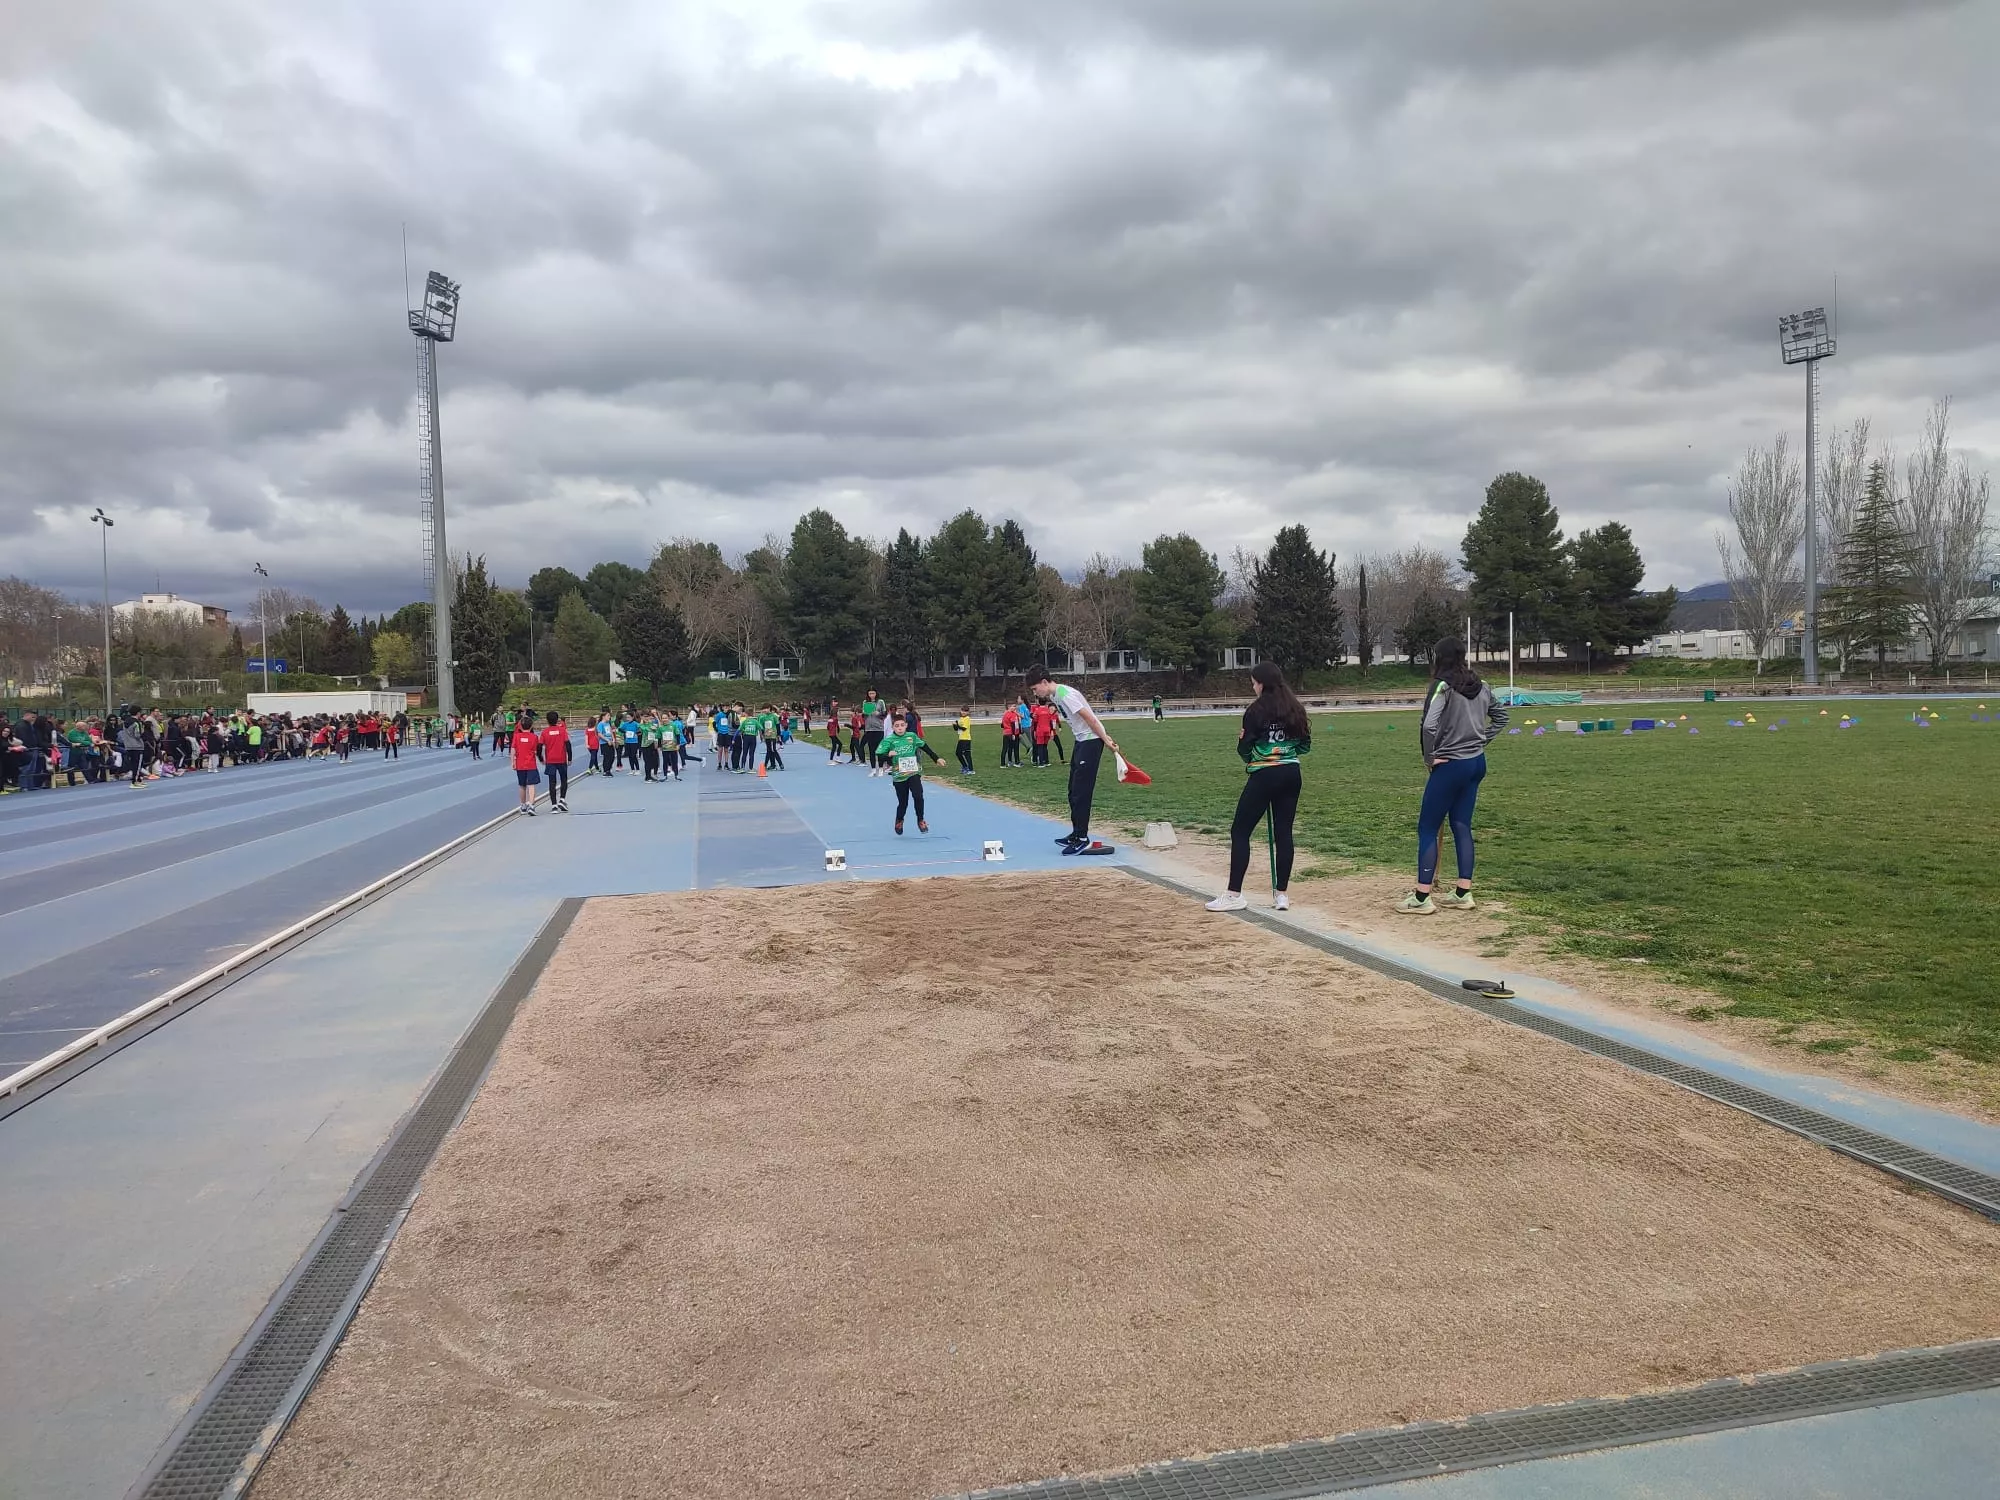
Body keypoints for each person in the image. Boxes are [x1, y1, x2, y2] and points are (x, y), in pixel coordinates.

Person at [1397, 638, 1507, 914]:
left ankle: (1422, 897)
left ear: (1439, 658)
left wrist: (1429, 757)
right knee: (1461, 825)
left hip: (1450, 765)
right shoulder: (1482, 686)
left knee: (1427, 828)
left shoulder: (1442, 687)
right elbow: (1502, 717)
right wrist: (1482, 741)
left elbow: (1429, 725)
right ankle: (1463, 892)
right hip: (1475, 763)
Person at [1206, 663, 1311, 913]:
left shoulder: (1255, 711)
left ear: (1261, 683)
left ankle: (1234, 894)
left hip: (1265, 774)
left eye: (1253, 683)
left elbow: (1243, 748)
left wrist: (1256, 757)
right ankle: (1282, 894)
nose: (1253, 687)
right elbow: (1305, 746)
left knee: (1240, 831)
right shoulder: (1295, 708)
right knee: (1283, 832)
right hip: (1291, 773)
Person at [1027, 668, 1120, 851]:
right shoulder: (1055, 696)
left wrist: (1106, 740)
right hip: (1081, 741)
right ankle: (1075, 833)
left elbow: (1090, 719)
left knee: (1081, 792)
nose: (1035, 693)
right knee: (1072, 791)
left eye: (1035, 688)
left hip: (1091, 741)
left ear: (1045, 682)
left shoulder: (1065, 694)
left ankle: (1082, 837)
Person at [878, 709, 941, 835]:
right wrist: (888, 755)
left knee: (918, 796)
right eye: (897, 726)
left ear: (906, 725)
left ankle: (921, 820)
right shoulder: (888, 740)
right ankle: (899, 820)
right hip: (899, 775)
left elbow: (924, 746)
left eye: (902, 725)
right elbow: (880, 756)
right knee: (903, 802)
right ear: (893, 727)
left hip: (913, 771)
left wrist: (936, 758)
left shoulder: (911, 736)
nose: (900, 728)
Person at [539, 712, 572, 810]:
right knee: (564, 779)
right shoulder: (562, 731)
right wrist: (569, 758)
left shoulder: (544, 732)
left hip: (550, 760)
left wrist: (541, 758)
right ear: (557, 720)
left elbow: (539, 746)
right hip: (561, 759)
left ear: (547, 720)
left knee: (552, 782)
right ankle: (562, 799)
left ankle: (554, 805)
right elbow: (568, 745)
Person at [511, 713, 543, 815]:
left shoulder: (516, 737)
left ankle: (523, 805)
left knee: (522, 785)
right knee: (531, 785)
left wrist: (512, 762)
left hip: (520, 764)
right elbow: (536, 751)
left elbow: (513, 750)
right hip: (531, 764)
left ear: (520, 726)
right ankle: (531, 805)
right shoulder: (534, 737)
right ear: (531, 726)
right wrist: (541, 759)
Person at [861, 689, 888, 774]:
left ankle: (880, 768)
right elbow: (863, 715)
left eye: (873, 693)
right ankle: (873, 768)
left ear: (876, 693)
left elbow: (885, 713)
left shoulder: (880, 702)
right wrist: (865, 713)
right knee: (871, 749)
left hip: (879, 728)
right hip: (869, 729)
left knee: (879, 749)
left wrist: (878, 713)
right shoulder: (865, 702)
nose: (871, 695)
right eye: (870, 693)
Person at [999, 703, 1020, 768]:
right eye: (1013, 706)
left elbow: (1002, 725)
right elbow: (1013, 724)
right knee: (1015, 748)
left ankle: (1003, 763)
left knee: (1006, 748)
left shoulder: (1005, 714)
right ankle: (1016, 762)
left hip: (1006, 733)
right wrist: (1014, 734)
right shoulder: (1012, 714)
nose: (1015, 707)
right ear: (1009, 707)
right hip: (1012, 733)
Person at [955, 706, 975, 774]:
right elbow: (957, 729)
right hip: (961, 738)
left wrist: (957, 726)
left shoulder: (967, 718)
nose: (963, 712)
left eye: (965, 711)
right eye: (962, 711)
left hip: (966, 739)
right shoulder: (961, 719)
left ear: (968, 712)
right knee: (958, 753)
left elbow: (964, 728)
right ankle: (965, 766)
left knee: (967, 754)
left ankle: (971, 770)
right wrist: (955, 725)